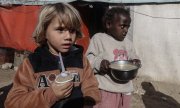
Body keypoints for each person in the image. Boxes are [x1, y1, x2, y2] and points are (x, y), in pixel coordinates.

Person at [5, 3, 100, 108]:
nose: (68, 36)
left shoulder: (81, 60)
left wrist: (88, 103)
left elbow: (91, 88)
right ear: (44, 31)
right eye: (60, 29)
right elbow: (12, 102)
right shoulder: (32, 63)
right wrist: (50, 94)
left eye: (72, 30)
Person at [86, 6, 141, 108]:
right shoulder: (99, 39)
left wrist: (136, 61)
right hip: (106, 89)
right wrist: (99, 63)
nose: (126, 30)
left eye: (128, 27)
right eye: (122, 26)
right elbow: (88, 60)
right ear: (109, 24)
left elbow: (133, 55)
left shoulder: (128, 43)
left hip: (125, 90)